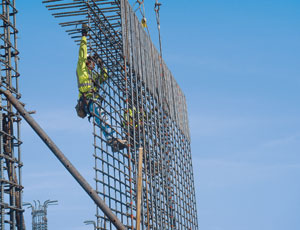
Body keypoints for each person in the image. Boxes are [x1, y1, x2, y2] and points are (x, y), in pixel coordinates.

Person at [75, 24, 127, 152]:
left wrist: (101, 64)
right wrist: (84, 36)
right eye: (91, 61)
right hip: (89, 101)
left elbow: (104, 76)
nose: (92, 64)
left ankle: (112, 141)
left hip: (93, 101)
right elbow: (82, 54)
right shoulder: (82, 70)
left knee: (102, 120)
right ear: (87, 62)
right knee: (103, 118)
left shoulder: (94, 75)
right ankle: (113, 139)